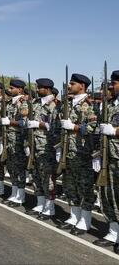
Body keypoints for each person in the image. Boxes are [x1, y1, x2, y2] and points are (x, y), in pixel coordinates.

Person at [57, 73, 97, 235]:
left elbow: (93, 128)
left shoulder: (90, 104)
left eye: (72, 83)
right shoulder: (67, 103)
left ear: (82, 86)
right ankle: (74, 216)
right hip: (68, 151)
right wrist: (59, 147)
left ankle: (85, 220)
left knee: (85, 187)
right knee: (69, 185)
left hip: (83, 152)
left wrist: (72, 127)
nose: (69, 86)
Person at [24, 78, 58, 219]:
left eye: (39, 88)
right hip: (33, 144)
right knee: (35, 175)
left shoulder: (55, 105)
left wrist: (38, 124)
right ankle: (40, 203)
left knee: (47, 177)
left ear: (47, 88)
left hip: (46, 146)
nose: (37, 90)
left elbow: (55, 127)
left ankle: (50, 207)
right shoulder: (35, 103)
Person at [93, 70, 119, 251]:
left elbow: (111, 130)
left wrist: (115, 131)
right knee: (108, 196)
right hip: (108, 156)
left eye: (115, 83)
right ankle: (114, 231)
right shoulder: (110, 104)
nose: (111, 86)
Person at [0, 79, 27, 207]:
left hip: (19, 140)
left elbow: (24, 122)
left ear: (20, 90)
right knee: (11, 167)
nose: (9, 90)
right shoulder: (9, 103)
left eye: (12, 88)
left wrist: (9, 122)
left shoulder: (24, 103)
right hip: (9, 139)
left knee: (19, 168)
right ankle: (14, 192)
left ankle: (21, 196)